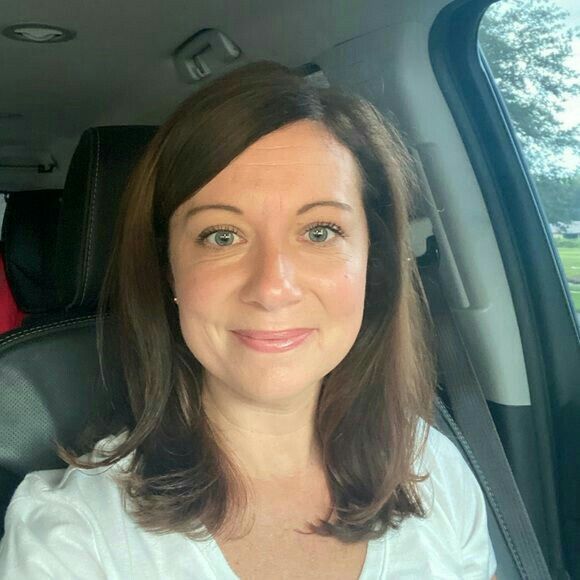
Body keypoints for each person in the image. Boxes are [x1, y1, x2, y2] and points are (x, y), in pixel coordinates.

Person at [0, 61, 497, 579]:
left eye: (320, 232)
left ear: (372, 259)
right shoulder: (73, 535)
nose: (273, 288)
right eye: (222, 236)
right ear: (169, 269)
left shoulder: (431, 470)